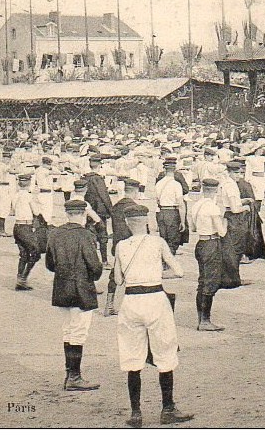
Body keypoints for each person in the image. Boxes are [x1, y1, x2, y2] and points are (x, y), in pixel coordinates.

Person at [114, 204, 194, 428]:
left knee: (132, 356)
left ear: (128, 223)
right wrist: (157, 273)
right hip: (155, 299)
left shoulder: (121, 246)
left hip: (131, 301)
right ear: (147, 222)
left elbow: (118, 279)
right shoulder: (157, 243)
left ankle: (136, 413)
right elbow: (179, 271)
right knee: (165, 353)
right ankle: (167, 408)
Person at [45, 199, 103, 391]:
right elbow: (95, 267)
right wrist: (92, 277)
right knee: (79, 332)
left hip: (62, 286)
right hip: (81, 288)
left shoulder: (55, 234)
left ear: (67, 213)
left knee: (68, 330)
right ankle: (74, 377)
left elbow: (49, 264)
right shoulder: (85, 235)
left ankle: (70, 374)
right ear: (83, 214)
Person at [188, 178, 236, 331]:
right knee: (210, 282)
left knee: (202, 282)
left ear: (203, 188)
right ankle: (205, 321)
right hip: (212, 243)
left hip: (201, 243)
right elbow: (222, 232)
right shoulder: (213, 208)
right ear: (216, 191)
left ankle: (201, 318)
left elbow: (193, 228)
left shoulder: (196, 206)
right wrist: (226, 221)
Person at [104, 178, 142, 316]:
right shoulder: (135, 208)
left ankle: (109, 305)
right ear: (136, 191)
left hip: (118, 244)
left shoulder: (116, 206)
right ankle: (132, 309)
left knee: (115, 273)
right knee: (135, 276)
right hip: (132, 245)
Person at [12, 173, 44, 291]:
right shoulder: (29, 196)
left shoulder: (15, 195)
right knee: (35, 254)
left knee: (23, 255)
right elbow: (36, 212)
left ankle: (19, 279)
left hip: (17, 226)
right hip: (26, 226)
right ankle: (23, 279)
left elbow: (14, 209)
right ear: (29, 183)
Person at [82, 154, 113, 265]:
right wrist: (110, 210)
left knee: (90, 235)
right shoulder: (98, 179)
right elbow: (104, 195)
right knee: (103, 235)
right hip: (99, 211)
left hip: (87, 210)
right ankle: (104, 261)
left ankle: (90, 261)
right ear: (100, 165)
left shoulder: (84, 177)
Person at [154, 158, 186, 255]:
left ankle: (163, 260)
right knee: (172, 240)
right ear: (175, 169)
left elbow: (156, 200)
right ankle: (168, 263)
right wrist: (183, 221)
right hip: (172, 212)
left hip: (161, 212)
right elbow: (181, 204)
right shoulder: (176, 184)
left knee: (163, 238)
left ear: (164, 169)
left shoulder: (158, 183)